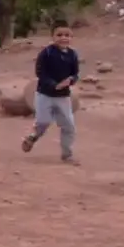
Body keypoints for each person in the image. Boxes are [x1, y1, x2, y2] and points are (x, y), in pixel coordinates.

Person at [23, 24, 79, 162]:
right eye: (59, 35)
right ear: (53, 37)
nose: (63, 38)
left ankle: (67, 154)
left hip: (63, 97)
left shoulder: (73, 54)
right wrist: (54, 85)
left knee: (69, 125)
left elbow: (75, 73)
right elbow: (40, 72)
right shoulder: (46, 53)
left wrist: (71, 80)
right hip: (44, 94)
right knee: (43, 121)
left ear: (71, 37)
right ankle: (33, 137)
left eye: (67, 35)